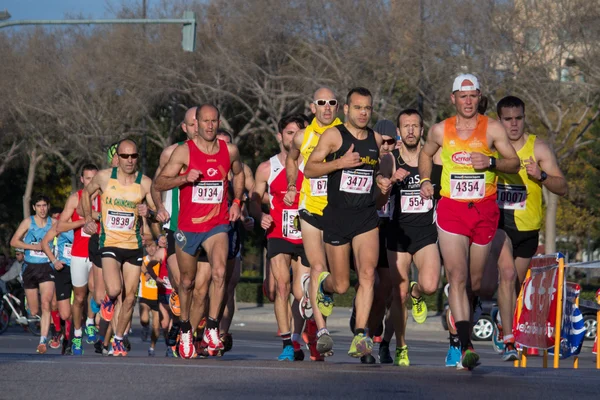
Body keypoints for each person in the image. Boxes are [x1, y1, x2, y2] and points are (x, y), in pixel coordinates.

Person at [418, 73, 520, 370]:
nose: (467, 101)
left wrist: (490, 162)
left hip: (484, 211)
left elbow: (513, 162)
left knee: (477, 283)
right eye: (462, 96)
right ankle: (466, 346)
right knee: (458, 276)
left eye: (473, 95)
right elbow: (426, 155)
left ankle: (465, 307)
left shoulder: (493, 129)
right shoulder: (440, 130)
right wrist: (426, 180)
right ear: (453, 98)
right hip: (451, 211)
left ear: (479, 97)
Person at [304, 87, 390, 360]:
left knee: (368, 276)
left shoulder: (375, 139)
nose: (363, 113)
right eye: (358, 108)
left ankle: (361, 335)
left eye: (368, 108)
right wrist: (340, 162)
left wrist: (383, 184)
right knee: (340, 285)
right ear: (346, 109)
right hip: (337, 217)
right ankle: (322, 287)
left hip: (365, 217)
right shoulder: (334, 135)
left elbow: (377, 176)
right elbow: (310, 168)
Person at [154, 104, 245, 359]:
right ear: (197, 123)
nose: (209, 126)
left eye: (213, 121)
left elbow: (239, 174)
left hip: (217, 224)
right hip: (188, 227)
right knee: (187, 282)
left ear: (218, 122)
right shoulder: (184, 152)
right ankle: (184, 329)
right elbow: (160, 182)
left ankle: (212, 328)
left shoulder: (230, 150)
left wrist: (237, 202)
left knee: (219, 273)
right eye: (204, 121)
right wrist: (184, 178)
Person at [488, 95, 568, 361]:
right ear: (499, 121)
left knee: (515, 284)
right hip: (499, 225)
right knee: (507, 275)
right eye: (508, 119)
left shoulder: (538, 148)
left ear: (524, 118)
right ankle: (509, 340)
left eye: (518, 118)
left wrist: (541, 176)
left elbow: (563, 187)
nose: (513, 124)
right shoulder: (492, 148)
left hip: (528, 230)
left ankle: (500, 318)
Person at [81, 139, 156, 357]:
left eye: (133, 156)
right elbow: (86, 193)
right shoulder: (105, 177)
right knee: (114, 290)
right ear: (118, 158)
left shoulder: (144, 182)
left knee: (131, 297)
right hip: (110, 242)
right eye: (125, 156)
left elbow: (154, 210)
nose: (129, 160)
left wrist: (149, 212)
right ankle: (108, 301)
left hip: (133, 245)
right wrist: (87, 217)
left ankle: (119, 339)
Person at [380, 109, 443, 367]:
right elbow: (380, 198)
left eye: (415, 126)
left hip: (426, 233)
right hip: (398, 233)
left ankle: (418, 295)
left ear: (422, 129)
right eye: (405, 126)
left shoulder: (434, 157)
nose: (410, 131)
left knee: (429, 286)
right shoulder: (390, 159)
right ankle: (399, 345)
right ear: (399, 130)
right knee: (399, 292)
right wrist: (391, 181)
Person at [285, 87, 343, 360]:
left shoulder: (345, 131)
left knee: (334, 277)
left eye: (332, 102)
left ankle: (313, 290)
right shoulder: (301, 137)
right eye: (322, 102)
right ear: (313, 107)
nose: (327, 106)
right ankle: (321, 331)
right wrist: (291, 184)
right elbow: (291, 157)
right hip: (309, 208)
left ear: (338, 106)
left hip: (338, 210)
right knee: (318, 266)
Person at [251, 114, 310, 361]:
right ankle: (287, 342)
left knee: (301, 292)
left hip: (307, 232)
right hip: (278, 232)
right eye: (289, 132)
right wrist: (259, 216)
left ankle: (299, 337)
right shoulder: (267, 168)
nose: (293, 137)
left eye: (298, 132)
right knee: (282, 287)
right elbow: (254, 198)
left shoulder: (312, 164)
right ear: (280, 136)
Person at [151, 107, 198, 350]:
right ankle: (182, 324)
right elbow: (156, 184)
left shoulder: (216, 152)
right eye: (192, 124)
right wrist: (159, 207)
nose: (197, 128)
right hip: (175, 225)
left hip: (204, 227)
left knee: (200, 282)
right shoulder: (171, 152)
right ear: (184, 127)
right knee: (181, 280)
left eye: (199, 123)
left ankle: (190, 326)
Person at [55, 163, 100, 355]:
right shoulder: (75, 199)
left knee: (95, 289)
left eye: (94, 178)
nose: (91, 182)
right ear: (82, 180)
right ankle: (77, 334)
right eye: (88, 178)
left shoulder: (105, 197)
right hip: (79, 254)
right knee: (80, 297)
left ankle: (90, 321)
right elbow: (60, 227)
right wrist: (84, 221)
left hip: (98, 252)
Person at [10, 195, 56, 353]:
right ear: (34, 208)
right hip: (30, 268)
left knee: (46, 303)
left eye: (44, 205)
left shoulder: (54, 223)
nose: (42, 209)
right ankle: (41, 319)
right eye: (39, 206)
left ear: (48, 206)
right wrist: (32, 247)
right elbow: (14, 241)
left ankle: (43, 341)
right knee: (34, 310)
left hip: (47, 267)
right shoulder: (28, 222)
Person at [41, 218, 74, 355]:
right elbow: (44, 243)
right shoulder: (60, 225)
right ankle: (58, 329)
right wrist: (54, 261)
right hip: (61, 268)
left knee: (77, 306)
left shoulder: (86, 223)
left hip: (80, 268)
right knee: (55, 304)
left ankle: (70, 338)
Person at [0, 249, 26, 318]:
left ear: (23, 255)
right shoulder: (17, 263)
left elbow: (10, 275)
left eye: (18, 254)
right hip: (21, 286)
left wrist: (1, 279)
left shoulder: (21, 264)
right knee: (12, 301)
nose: (16, 256)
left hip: (26, 287)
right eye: (16, 254)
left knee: (19, 300)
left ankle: (25, 318)